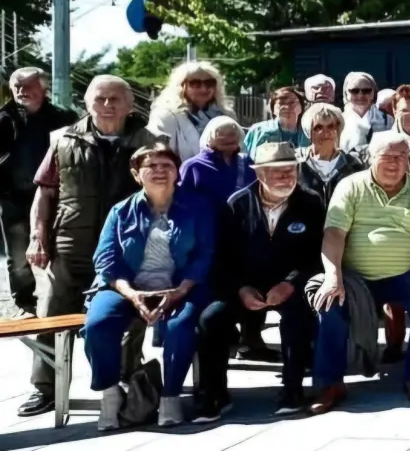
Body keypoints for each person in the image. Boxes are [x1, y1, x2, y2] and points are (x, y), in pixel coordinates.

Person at [22, 75, 159, 418]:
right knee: (51, 316)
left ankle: (127, 382)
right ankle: (46, 389)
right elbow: (45, 191)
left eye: (116, 99)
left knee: (128, 318)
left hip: (128, 250)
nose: (108, 105)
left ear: (130, 104)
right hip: (71, 245)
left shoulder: (152, 143)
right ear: (87, 103)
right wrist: (37, 236)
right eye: (100, 99)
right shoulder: (62, 139)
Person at [309, 132, 410, 413]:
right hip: (355, 277)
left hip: (406, 275)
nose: (395, 163)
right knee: (329, 304)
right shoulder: (350, 187)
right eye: (387, 156)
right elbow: (334, 234)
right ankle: (329, 383)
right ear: (370, 158)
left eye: (401, 157)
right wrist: (333, 276)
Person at [86, 142, 213, 430]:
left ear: (177, 171)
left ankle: (170, 395)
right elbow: (105, 261)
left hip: (180, 286)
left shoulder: (197, 207)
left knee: (180, 326)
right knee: (98, 325)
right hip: (127, 287)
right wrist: (132, 294)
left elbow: (205, 253)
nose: (159, 171)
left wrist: (180, 290)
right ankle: (109, 392)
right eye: (150, 166)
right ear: (136, 174)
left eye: (166, 165)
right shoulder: (120, 212)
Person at [193, 142, 324, 419]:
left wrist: (290, 283)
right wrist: (240, 289)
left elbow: (316, 256)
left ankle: (292, 390)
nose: (285, 177)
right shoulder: (237, 204)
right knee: (211, 319)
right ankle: (213, 395)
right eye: (277, 172)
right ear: (260, 174)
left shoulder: (311, 202)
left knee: (299, 319)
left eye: (290, 170)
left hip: (291, 287)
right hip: (246, 286)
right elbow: (221, 258)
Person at [0, 67, 73, 317]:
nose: (21, 91)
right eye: (16, 86)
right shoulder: (4, 119)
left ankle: (64, 301)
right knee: (19, 256)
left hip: (56, 196)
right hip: (15, 197)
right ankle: (24, 303)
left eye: (28, 85)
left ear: (43, 88)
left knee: (63, 250)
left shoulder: (64, 118)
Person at [148, 60, 232, 161]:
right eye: (195, 84)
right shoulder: (165, 115)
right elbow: (158, 154)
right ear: (181, 86)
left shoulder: (226, 114)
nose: (204, 89)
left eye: (209, 83)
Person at [178, 117, 255, 211]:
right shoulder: (193, 166)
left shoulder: (247, 162)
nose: (228, 139)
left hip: (242, 223)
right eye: (221, 134)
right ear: (209, 139)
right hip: (206, 223)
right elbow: (181, 201)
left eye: (232, 134)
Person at [297, 102, 366, 206]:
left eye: (331, 126)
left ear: (338, 130)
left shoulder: (354, 165)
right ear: (309, 132)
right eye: (318, 128)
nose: (326, 133)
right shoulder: (297, 163)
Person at [244, 88, 307, 155]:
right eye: (281, 103)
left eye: (292, 102)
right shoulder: (258, 130)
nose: (287, 107)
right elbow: (244, 158)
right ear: (273, 109)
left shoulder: (310, 132)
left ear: (301, 107)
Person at [339, 72, 390, 153]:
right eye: (354, 91)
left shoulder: (388, 120)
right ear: (346, 93)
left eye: (366, 91)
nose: (360, 96)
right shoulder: (338, 120)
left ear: (374, 93)